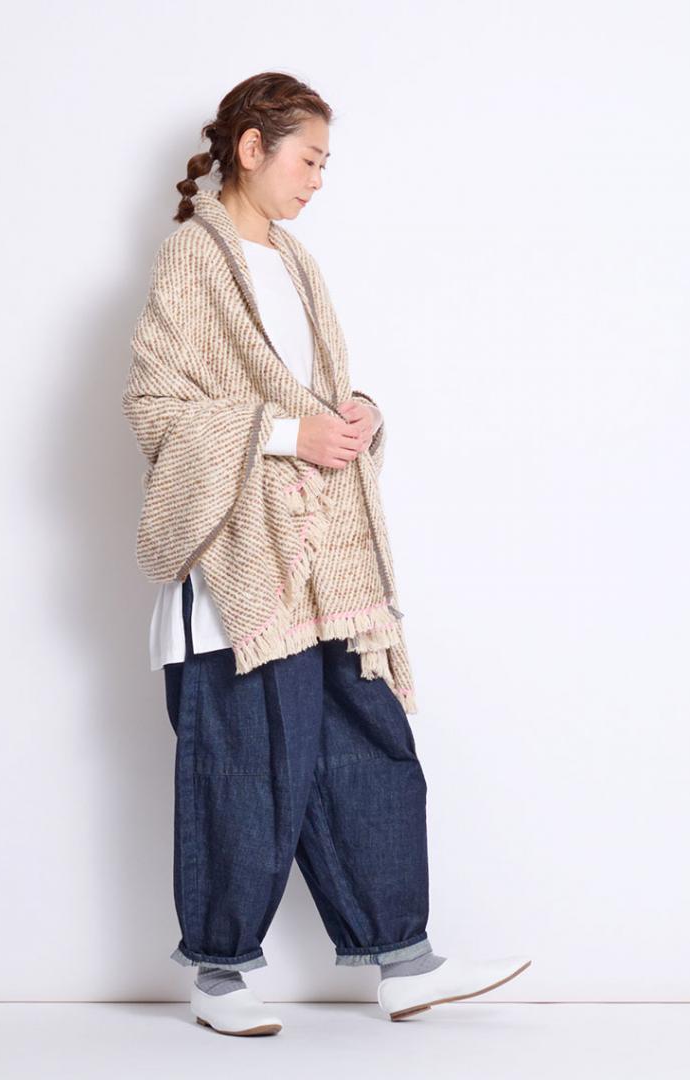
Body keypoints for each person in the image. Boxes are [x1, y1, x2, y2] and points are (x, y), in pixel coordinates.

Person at [122, 71, 531, 1036]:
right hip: (241, 570)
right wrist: (285, 435)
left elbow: (311, 393)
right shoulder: (193, 257)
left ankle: (403, 961)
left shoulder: (296, 262)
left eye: (325, 164)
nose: (318, 180)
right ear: (251, 149)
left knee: (368, 746)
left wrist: (357, 414)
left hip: (325, 561)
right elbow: (157, 409)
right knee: (246, 768)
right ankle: (220, 975)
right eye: (309, 159)